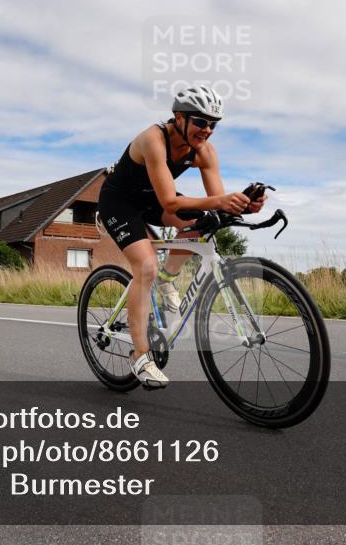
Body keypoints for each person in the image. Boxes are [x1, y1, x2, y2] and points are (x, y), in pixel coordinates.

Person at [98, 85, 266, 389]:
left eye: (213, 124)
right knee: (145, 267)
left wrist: (245, 205)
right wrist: (220, 201)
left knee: (203, 224)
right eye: (200, 122)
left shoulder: (204, 151)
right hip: (120, 202)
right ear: (179, 117)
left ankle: (166, 277)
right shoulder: (154, 139)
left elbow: (218, 202)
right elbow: (171, 204)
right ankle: (140, 356)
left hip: (152, 200)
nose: (207, 130)